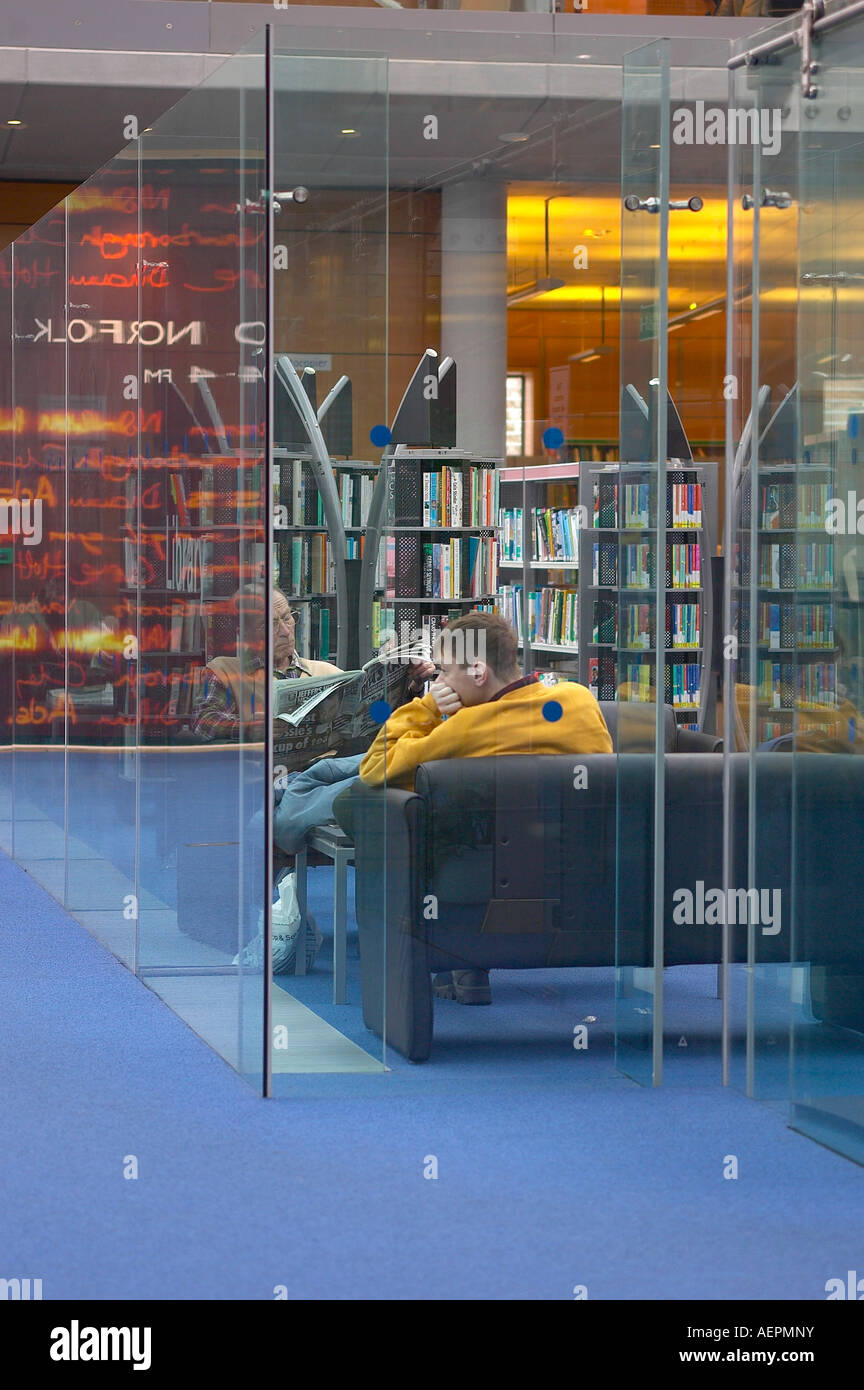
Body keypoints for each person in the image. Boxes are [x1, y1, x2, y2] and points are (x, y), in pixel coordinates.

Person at [353, 611, 612, 1004]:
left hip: (484, 872)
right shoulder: (577, 699)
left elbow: (373, 768)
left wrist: (426, 708)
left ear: (478, 672)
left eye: (443, 672)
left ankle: (458, 955)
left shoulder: (467, 727)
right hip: (581, 867)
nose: (438, 682)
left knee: (368, 799)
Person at [192, 585, 341, 745]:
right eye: (271, 625)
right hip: (263, 767)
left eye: (287, 618)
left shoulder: (328, 672)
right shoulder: (224, 671)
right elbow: (203, 723)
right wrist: (246, 728)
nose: (285, 631)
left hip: (325, 766)